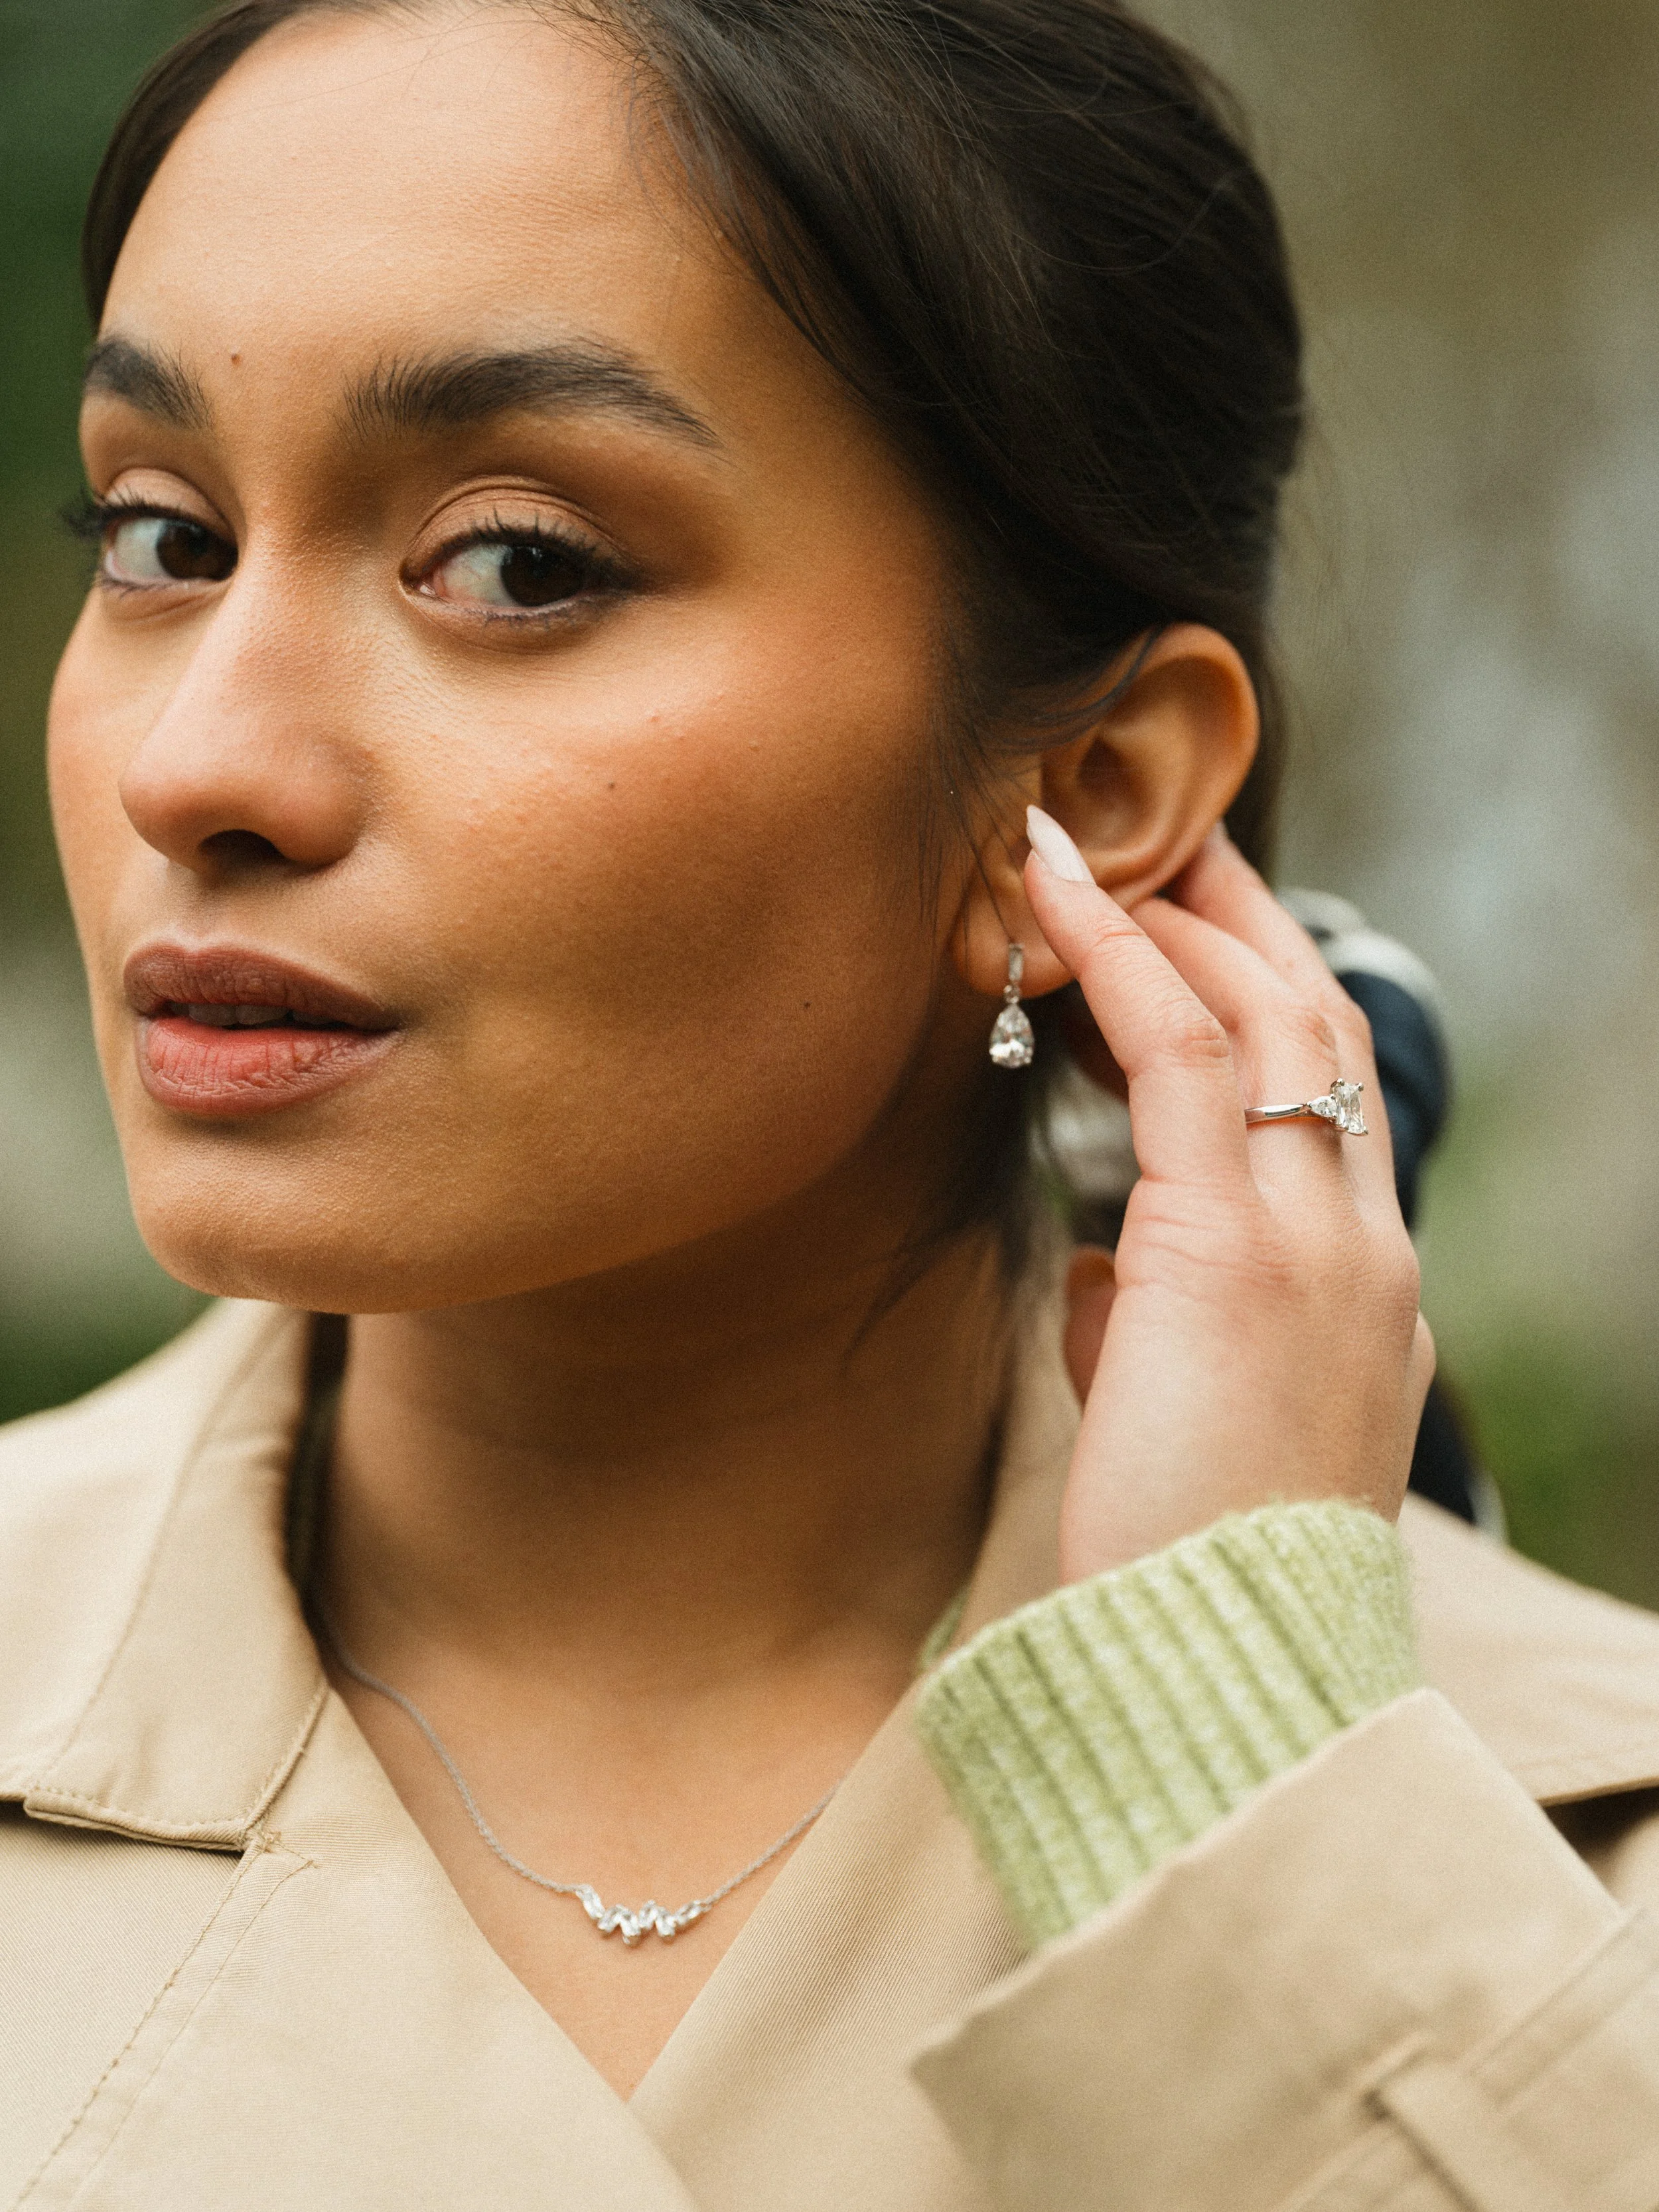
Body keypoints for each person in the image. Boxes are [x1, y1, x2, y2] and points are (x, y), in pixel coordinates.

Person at [5, 2, 1658, 2203]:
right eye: (161, 535)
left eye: (516, 562)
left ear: (1084, 792)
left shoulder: (1567, 1888)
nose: (196, 762)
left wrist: (1246, 1798)